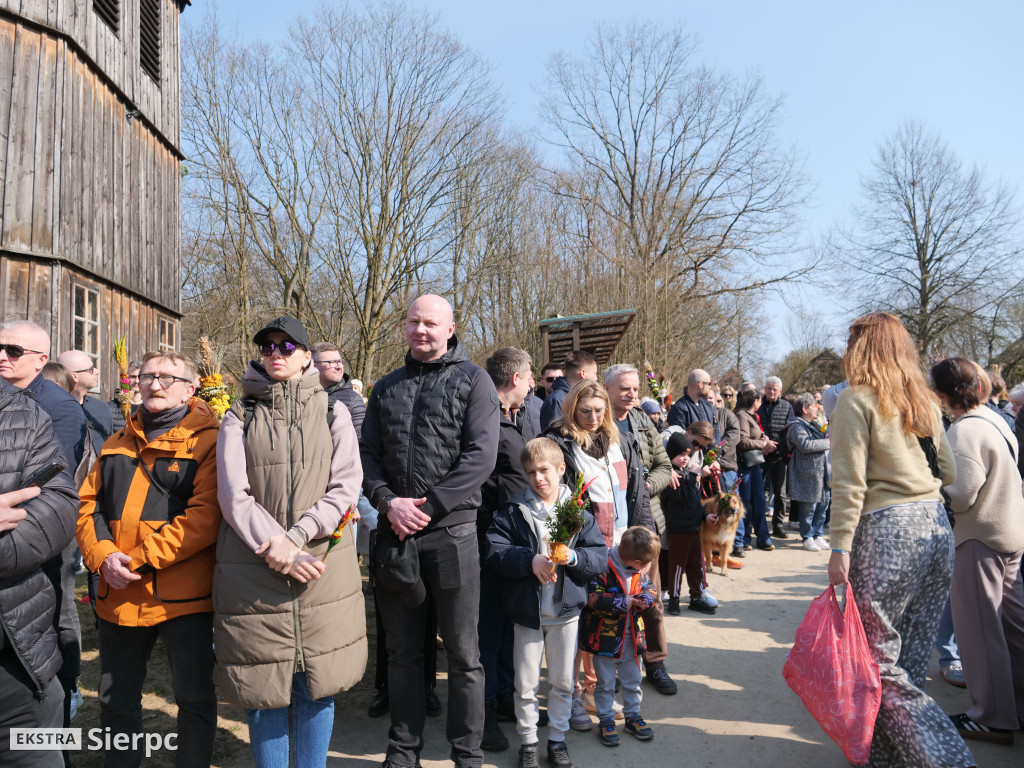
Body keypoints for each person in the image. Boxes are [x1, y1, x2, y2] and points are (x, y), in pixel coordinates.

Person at [215, 316, 366, 768]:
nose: (275, 354)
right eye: (267, 347)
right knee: (264, 692)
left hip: (320, 568)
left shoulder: (334, 411)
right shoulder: (238, 415)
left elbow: (345, 486)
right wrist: (277, 548)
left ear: (306, 356)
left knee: (316, 686)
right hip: (254, 568)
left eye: (286, 346)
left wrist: (297, 538)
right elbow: (232, 494)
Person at [827, 312, 975, 768]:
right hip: (934, 526)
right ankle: (888, 757)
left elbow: (849, 483)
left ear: (861, 348)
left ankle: (946, 757)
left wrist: (839, 548)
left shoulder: (857, 401)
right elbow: (948, 472)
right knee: (908, 654)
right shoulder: (924, 402)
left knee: (875, 660)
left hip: (888, 529)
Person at [360, 295, 499, 768]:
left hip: (453, 536)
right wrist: (386, 501)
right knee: (401, 654)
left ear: (450, 328)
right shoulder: (386, 387)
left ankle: (467, 755)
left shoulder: (474, 381)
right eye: (415, 322)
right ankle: (402, 752)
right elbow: (367, 456)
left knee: (463, 654)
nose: (422, 330)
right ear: (405, 326)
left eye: (431, 323)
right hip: (396, 536)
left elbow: (480, 457)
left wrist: (430, 507)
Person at [76, 351, 221, 768]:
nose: (154, 384)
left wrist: (135, 561)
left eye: (167, 378)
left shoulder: (209, 440)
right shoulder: (115, 441)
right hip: (117, 594)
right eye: (148, 376)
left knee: (193, 698)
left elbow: (203, 517)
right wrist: (103, 557)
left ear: (190, 389)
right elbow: (87, 507)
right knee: (115, 698)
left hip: (184, 598)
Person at [485, 437, 607, 768]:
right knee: (525, 685)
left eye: (544, 470)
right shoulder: (514, 511)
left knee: (562, 682)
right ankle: (527, 743)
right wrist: (530, 561)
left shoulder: (579, 510)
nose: (538, 479)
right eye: (531, 473)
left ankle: (556, 739)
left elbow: (599, 557)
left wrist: (574, 556)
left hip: (565, 614)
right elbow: (495, 550)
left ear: (561, 469)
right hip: (527, 614)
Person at [542, 379, 655, 729]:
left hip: (623, 544)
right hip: (588, 548)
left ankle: (593, 690)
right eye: (585, 410)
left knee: (608, 622)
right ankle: (572, 696)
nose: (592, 417)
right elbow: (563, 502)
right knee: (578, 626)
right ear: (572, 409)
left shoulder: (619, 440)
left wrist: (646, 539)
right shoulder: (561, 443)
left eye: (598, 410)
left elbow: (637, 493)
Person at [0, 321, 87, 741]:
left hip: (34, 542)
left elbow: (55, 486)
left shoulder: (57, 407)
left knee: (58, 616)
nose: (3, 356)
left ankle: (66, 694)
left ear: (40, 358)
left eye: (13, 350)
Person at [931, 358, 1024, 745]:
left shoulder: (963, 430)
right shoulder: (996, 418)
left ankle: (991, 716)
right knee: (1013, 628)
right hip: (1010, 531)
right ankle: (1014, 707)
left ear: (942, 393)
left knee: (980, 631)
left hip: (978, 536)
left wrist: (931, 489)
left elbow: (962, 494)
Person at [478, 347, 539, 751]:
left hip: (511, 541)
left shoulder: (509, 421)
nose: (534, 382)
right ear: (516, 378)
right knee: (484, 631)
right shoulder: (486, 422)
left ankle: (502, 697)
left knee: (502, 625)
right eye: (530, 375)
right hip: (488, 540)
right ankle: (479, 716)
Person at [603, 363, 677, 696]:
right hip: (610, 529)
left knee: (651, 600)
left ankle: (656, 664)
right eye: (625, 389)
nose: (632, 394)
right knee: (612, 601)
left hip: (646, 523)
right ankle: (612, 668)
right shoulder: (595, 422)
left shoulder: (643, 420)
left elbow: (665, 466)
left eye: (635, 389)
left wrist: (645, 486)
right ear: (607, 389)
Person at [580, 526, 659, 748]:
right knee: (605, 683)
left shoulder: (640, 569)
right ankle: (605, 719)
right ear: (632, 559)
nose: (646, 568)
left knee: (633, 680)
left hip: (633, 639)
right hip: (604, 638)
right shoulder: (602, 565)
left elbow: (650, 588)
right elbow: (593, 598)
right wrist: (624, 602)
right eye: (644, 564)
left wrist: (645, 599)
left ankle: (633, 715)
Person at [661, 432, 716, 614]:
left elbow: (694, 501)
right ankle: (674, 598)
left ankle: (696, 596)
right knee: (677, 566)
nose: (685, 458)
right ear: (671, 455)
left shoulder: (686, 473)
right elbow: (682, 496)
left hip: (693, 528)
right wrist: (693, 476)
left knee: (696, 565)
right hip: (679, 530)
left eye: (687, 454)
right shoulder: (671, 476)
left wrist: (704, 516)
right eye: (680, 455)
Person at [786, 393, 830, 552]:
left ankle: (818, 535)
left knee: (823, 505)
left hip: (822, 473)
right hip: (807, 474)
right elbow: (805, 445)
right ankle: (807, 537)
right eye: (813, 406)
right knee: (808, 508)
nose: (817, 408)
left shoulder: (814, 424)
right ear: (804, 409)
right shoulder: (796, 426)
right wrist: (826, 442)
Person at [734, 389, 773, 552]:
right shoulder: (742, 416)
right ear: (755, 401)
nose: (761, 403)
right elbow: (742, 441)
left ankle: (762, 537)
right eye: (760, 400)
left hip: (754, 464)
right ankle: (746, 539)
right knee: (747, 501)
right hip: (746, 464)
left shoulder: (751, 416)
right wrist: (762, 444)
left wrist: (764, 440)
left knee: (759, 501)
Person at [57, 350, 114, 457]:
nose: (97, 371)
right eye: (91, 369)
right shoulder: (55, 408)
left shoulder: (102, 407)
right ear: (74, 376)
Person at [757, 376, 793, 538]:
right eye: (769, 388)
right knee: (756, 491)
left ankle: (778, 526)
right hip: (759, 454)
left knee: (780, 493)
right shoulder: (757, 405)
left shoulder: (787, 407)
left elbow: (790, 429)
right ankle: (756, 524)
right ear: (764, 389)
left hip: (779, 456)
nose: (771, 391)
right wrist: (764, 442)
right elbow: (753, 426)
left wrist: (776, 444)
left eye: (774, 389)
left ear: (780, 391)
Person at [311, 342, 366, 436]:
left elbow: (361, 445)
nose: (339, 367)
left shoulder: (353, 401)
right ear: (314, 366)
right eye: (332, 362)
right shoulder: (301, 394)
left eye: (340, 361)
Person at [540, 351, 597, 431]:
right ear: (583, 373)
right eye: (594, 373)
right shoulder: (556, 400)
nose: (596, 378)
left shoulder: (579, 396)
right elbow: (553, 437)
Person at [109, 361, 143, 433]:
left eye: (140, 377)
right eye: (133, 377)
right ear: (126, 378)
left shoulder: (150, 408)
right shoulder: (111, 407)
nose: (136, 381)